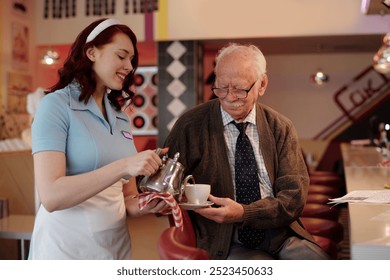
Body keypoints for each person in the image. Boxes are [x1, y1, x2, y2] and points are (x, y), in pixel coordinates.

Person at [164, 43, 330, 260]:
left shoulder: (280, 127)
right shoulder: (191, 125)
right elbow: (164, 182)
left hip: (281, 233)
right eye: (221, 87)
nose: (230, 97)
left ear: (262, 85)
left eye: (240, 89)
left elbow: (294, 198)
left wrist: (244, 213)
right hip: (225, 239)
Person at [28, 18, 168, 260]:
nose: (129, 67)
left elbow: (126, 198)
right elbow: (51, 196)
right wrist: (124, 165)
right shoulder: (56, 105)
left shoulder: (120, 117)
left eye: (131, 60)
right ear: (91, 52)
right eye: (121, 56)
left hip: (115, 247)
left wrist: (151, 202)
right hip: (65, 250)